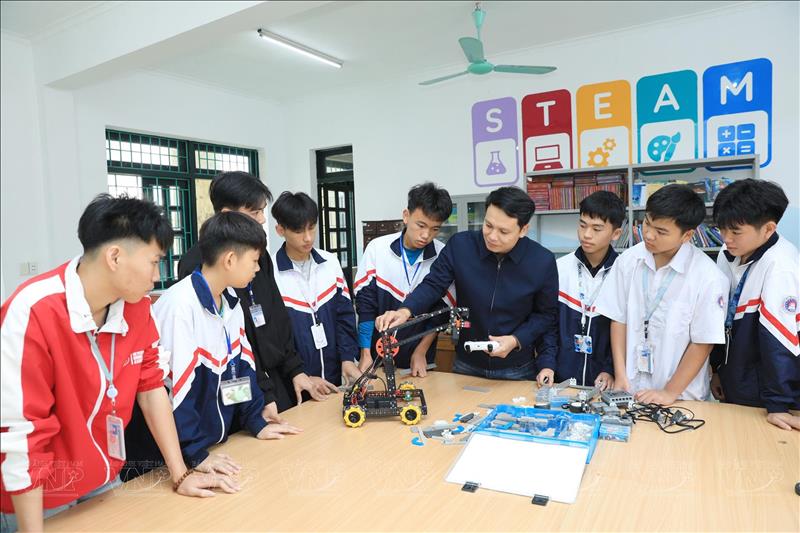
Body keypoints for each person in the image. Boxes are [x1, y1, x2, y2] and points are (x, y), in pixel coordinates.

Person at [0, 195, 234, 533]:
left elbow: (152, 388)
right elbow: (23, 436)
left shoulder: (136, 307)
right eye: (154, 262)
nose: (156, 276)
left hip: (102, 478)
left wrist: (181, 474)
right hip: (40, 497)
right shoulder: (33, 312)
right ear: (114, 256)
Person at [153, 212, 300, 471]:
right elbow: (177, 392)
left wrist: (256, 421)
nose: (258, 268)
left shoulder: (230, 301)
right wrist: (195, 453)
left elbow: (239, 372)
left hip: (212, 446)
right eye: (254, 260)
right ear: (230, 260)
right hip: (174, 459)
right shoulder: (180, 307)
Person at [376, 186, 558, 380]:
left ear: (523, 230)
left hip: (517, 368)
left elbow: (546, 316)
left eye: (503, 231)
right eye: (488, 225)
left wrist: (516, 340)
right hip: (467, 364)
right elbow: (433, 284)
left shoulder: (542, 261)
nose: (492, 236)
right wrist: (405, 311)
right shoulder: (461, 246)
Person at [178, 171, 324, 412]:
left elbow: (277, 314)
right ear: (227, 213)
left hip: (273, 377)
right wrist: (262, 396)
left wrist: (295, 370)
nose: (262, 219)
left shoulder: (259, 254)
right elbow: (223, 340)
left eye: (262, 211)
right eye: (255, 212)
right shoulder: (199, 264)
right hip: (235, 384)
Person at [594, 184, 728, 404]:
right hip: (630, 389)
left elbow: (703, 342)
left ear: (687, 235)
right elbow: (618, 319)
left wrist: (669, 392)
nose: (648, 234)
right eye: (647, 223)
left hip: (681, 398)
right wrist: (620, 375)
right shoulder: (628, 261)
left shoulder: (708, 277)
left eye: (661, 231)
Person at [710, 178, 800, 430]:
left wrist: (778, 405)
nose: (726, 238)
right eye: (722, 229)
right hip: (735, 378)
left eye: (735, 232)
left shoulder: (780, 265)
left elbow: (780, 340)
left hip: (766, 394)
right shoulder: (728, 253)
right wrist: (716, 370)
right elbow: (720, 317)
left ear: (768, 229)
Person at [354, 182, 455, 377]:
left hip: (419, 358)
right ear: (406, 215)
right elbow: (365, 305)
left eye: (435, 229)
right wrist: (365, 353)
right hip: (377, 355)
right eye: (421, 225)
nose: (426, 235)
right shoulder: (378, 249)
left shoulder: (443, 255)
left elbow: (440, 313)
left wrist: (421, 351)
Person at [271, 192, 360, 392]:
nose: (308, 238)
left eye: (312, 227)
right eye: (298, 231)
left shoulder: (330, 263)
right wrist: (300, 373)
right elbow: (275, 338)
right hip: (296, 384)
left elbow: (345, 316)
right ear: (280, 230)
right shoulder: (270, 274)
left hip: (335, 378)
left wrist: (347, 358)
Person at [536, 191, 625, 389]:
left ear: (616, 234)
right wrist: (547, 364)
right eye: (582, 225)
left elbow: (626, 332)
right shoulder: (559, 268)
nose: (586, 234)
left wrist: (610, 369)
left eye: (596, 228)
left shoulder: (624, 273)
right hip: (560, 381)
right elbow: (548, 324)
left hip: (603, 384)